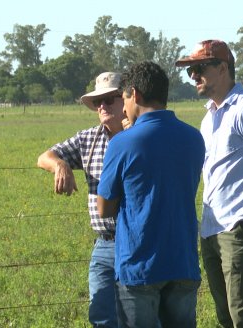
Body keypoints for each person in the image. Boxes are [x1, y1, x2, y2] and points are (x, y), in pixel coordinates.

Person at [97, 61, 205, 328]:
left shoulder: (122, 142)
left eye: (124, 98)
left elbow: (104, 209)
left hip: (139, 265)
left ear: (136, 94)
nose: (123, 108)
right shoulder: (194, 138)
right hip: (183, 261)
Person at [176, 39, 243, 327]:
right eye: (190, 71)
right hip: (211, 230)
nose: (193, 76)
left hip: (240, 228)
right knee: (225, 316)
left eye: (199, 68)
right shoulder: (208, 117)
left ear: (223, 68)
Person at [37, 72, 125, 327]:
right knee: (101, 315)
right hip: (105, 242)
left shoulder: (141, 136)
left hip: (137, 242)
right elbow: (44, 157)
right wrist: (60, 165)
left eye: (110, 99)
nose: (103, 107)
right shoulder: (88, 139)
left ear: (126, 99)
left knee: (140, 315)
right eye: (98, 102)